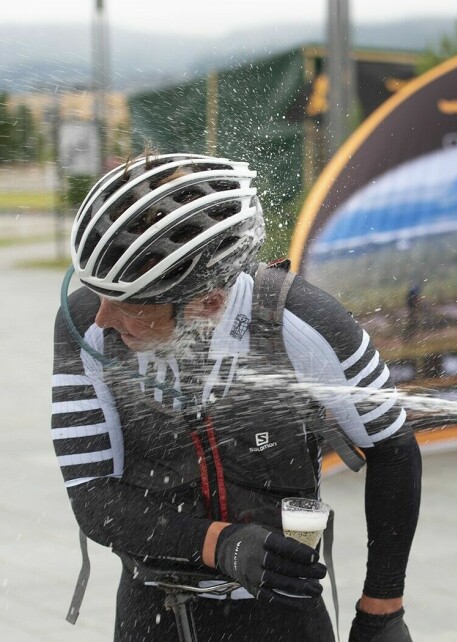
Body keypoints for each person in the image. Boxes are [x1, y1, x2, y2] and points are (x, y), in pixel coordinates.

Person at [51, 153, 421, 642]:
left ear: (209, 301)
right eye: (96, 293)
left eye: (128, 305)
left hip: (282, 614)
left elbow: (394, 449)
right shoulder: (84, 325)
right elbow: (93, 495)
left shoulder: (301, 321)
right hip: (153, 609)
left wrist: (381, 613)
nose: (100, 319)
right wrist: (218, 544)